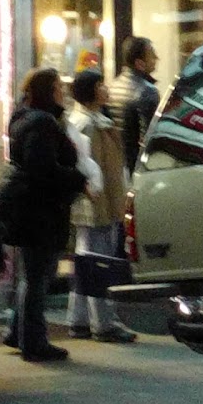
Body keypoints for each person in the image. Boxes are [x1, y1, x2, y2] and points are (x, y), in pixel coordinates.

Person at [0, 68, 86, 363]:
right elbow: (43, 168)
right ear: (48, 90)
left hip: (27, 209)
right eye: (58, 87)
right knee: (37, 276)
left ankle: (18, 331)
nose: (63, 92)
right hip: (39, 212)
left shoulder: (24, 117)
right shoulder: (42, 123)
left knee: (29, 275)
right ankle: (34, 342)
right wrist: (76, 179)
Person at [67, 70, 137, 344]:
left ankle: (79, 319)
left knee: (85, 262)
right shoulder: (89, 124)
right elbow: (99, 168)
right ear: (91, 91)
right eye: (100, 85)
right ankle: (103, 323)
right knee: (99, 261)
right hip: (98, 201)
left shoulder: (89, 121)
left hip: (96, 200)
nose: (105, 89)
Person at [108, 37, 159, 177]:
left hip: (116, 165)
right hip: (136, 168)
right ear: (139, 63)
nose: (156, 58)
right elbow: (149, 138)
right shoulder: (147, 91)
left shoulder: (112, 87)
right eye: (152, 54)